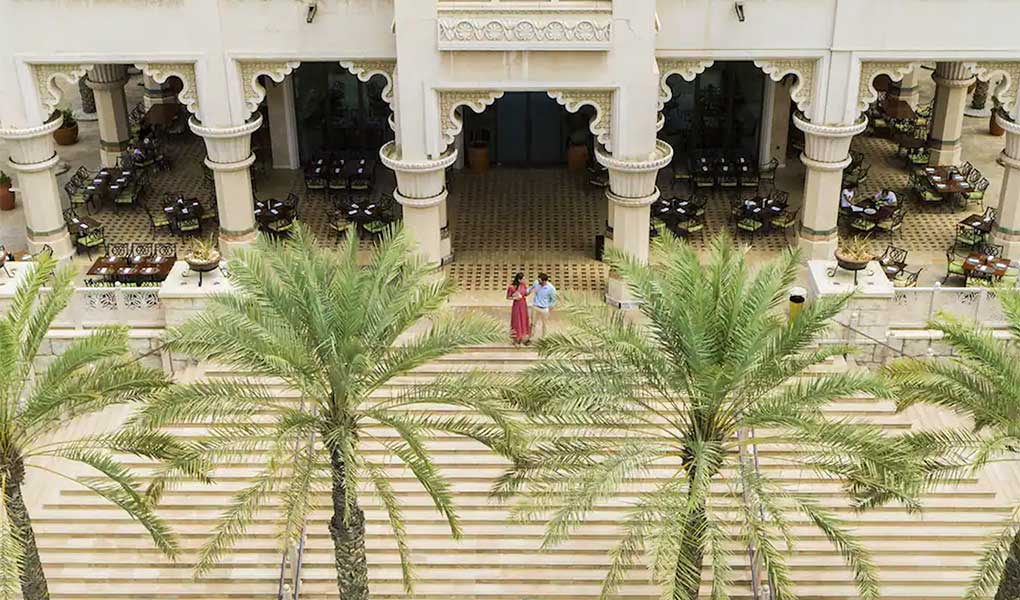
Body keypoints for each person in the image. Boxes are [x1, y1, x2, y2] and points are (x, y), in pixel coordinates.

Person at [528, 272, 557, 339]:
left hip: (544, 309)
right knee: (533, 324)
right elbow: (530, 288)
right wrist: (526, 292)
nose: (538, 282)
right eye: (538, 280)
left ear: (544, 281)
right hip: (535, 307)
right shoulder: (536, 283)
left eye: (540, 281)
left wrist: (549, 308)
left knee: (544, 325)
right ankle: (530, 338)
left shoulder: (551, 288)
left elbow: (553, 300)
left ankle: (544, 338)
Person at [506, 271, 531, 346]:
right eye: (523, 279)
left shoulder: (523, 285)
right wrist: (515, 297)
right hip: (517, 305)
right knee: (517, 321)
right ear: (519, 279)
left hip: (523, 304)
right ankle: (515, 338)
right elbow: (508, 297)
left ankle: (522, 337)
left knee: (523, 320)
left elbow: (525, 294)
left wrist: (530, 291)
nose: (524, 280)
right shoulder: (512, 287)